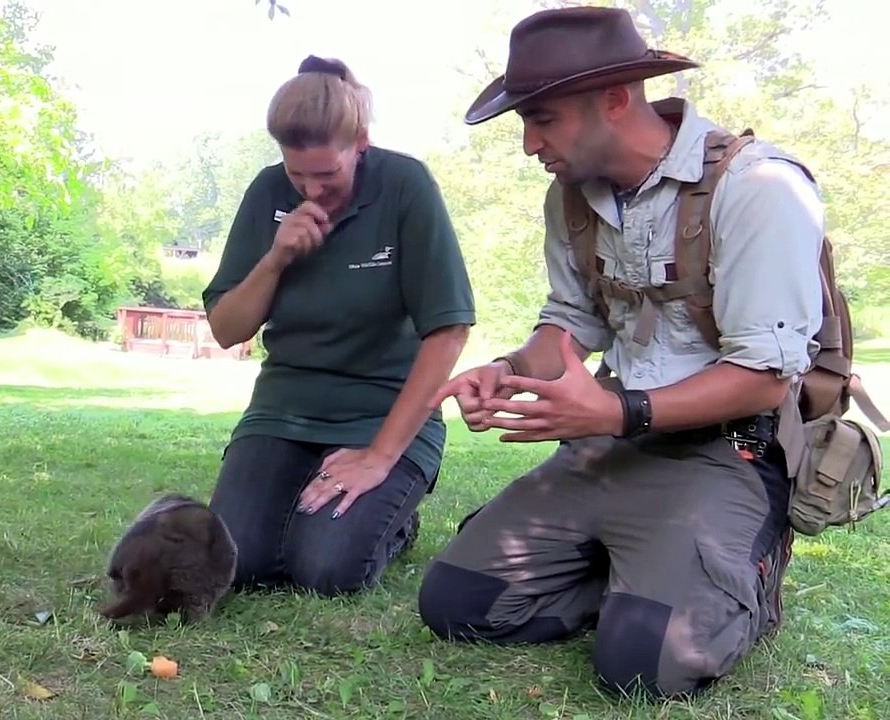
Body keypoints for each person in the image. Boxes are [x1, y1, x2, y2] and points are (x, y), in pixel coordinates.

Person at [417, 6, 825, 701]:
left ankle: (719, 586)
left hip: (727, 454)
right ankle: (639, 573)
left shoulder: (759, 188)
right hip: (611, 450)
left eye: (542, 118)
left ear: (614, 98)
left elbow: (762, 379)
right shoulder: (570, 198)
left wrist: (615, 412)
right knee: (459, 604)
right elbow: (571, 326)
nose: (528, 145)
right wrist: (509, 371)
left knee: (641, 665)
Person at [201, 55, 476, 597]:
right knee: (237, 561)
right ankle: (307, 509)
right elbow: (227, 329)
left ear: (361, 142)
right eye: (296, 173)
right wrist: (276, 258)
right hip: (283, 411)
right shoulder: (266, 193)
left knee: (326, 571)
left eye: (327, 173)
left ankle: (393, 520)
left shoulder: (405, 186)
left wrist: (379, 457)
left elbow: (449, 331)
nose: (311, 189)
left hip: (381, 413)